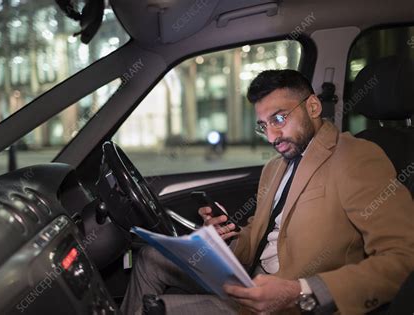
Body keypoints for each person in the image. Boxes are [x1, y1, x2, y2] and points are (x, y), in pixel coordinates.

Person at [120, 70, 414, 315]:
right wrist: (224, 241)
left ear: (313, 107)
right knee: (149, 257)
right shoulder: (275, 167)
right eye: (263, 126)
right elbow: (259, 237)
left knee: (157, 309)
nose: (272, 136)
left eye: (279, 119)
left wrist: (300, 291)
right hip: (249, 279)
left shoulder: (356, 157)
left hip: (288, 304)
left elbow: (403, 258)